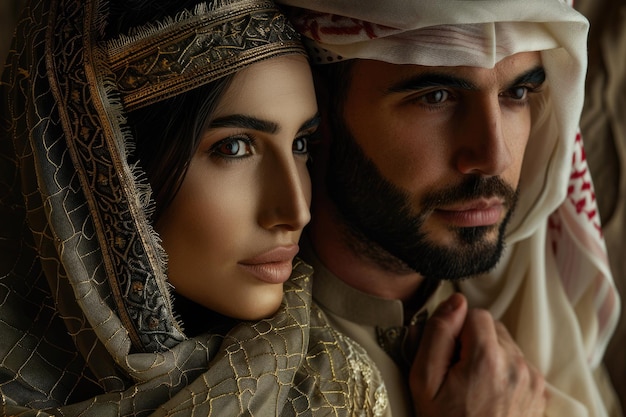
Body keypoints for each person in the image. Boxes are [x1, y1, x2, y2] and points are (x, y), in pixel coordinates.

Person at [0, 0, 388, 415]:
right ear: (100, 173)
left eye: (300, 144)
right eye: (234, 147)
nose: (296, 211)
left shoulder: (333, 390)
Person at [273, 0, 623, 416]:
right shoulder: (255, 380)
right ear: (318, 112)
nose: (494, 157)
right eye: (436, 97)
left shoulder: (529, 305)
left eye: (517, 93)